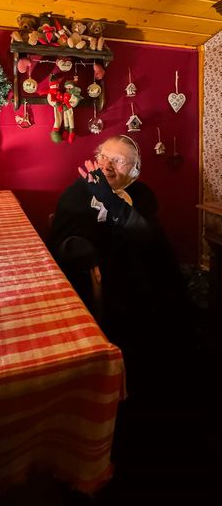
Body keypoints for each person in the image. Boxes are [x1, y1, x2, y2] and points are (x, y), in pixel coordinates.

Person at [48, 134, 194, 392]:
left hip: (138, 279)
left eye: (119, 161)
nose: (107, 166)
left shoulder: (142, 195)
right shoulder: (77, 191)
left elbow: (147, 240)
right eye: (104, 157)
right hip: (89, 276)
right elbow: (61, 239)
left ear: (135, 171)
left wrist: (111, 200)